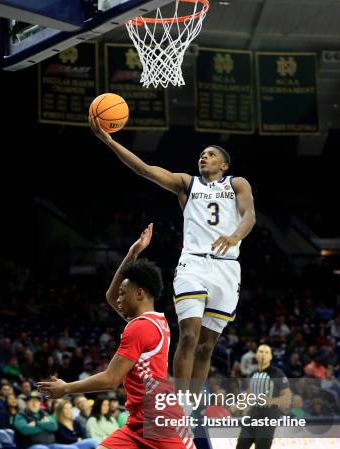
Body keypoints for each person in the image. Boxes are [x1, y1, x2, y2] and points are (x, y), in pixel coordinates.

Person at [22, 227, 320, 449]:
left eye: (124, 292)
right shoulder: (150, 321)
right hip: (139, 422)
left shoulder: (139, 329)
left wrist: (65, 388)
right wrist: (132, 253)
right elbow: (109, 295)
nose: (117, 297)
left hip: (161, 419)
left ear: (140, 292)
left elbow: (109, 380)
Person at [90, 116, 256, 400]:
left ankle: (192, 404)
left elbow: (250, 215)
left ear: (224, 165)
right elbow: (145, 169)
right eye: (202, 154)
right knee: (189, 335)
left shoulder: (237, 183)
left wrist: (234, 236)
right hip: (193, 263)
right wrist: (109, 140)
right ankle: (179, 402)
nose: (204, 157)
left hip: (227, 267)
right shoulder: (186, 184)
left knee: (207, 345)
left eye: (212, 154)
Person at [236, 344, 290, 449]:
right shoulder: (253, 374)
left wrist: (270, 400)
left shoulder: (277, 373)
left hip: (269, 415)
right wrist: (242, 403)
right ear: (256, 355)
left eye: (266, 352)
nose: (263, 354)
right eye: (260, 351)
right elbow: (249, 392)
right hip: (253, 414)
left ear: (271, 356)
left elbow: (286, 397)